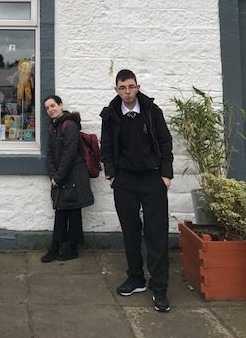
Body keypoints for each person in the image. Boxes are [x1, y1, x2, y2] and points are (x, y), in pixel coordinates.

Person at [100, 69, 173, 313]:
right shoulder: (110, 114)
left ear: (138, 87)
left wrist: (166, 174)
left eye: (131, 87)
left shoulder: (152, 111)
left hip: (152, 178)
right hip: (125, 180)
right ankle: (136, 278)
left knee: (156, 234)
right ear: (116, 90)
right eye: (122, 88)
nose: (127, 92)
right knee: (130, 232)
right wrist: (111, 174)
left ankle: (159, 287)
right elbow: (106, 146)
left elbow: (165, 142)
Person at [41, 95, 94, 263]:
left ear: (61, 105)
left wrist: (57, 177)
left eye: (53, 106)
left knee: (73, 212)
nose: (50, 110)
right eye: (47, 108)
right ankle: (58, 247)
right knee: (61, 211)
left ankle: (70, 249)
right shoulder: (53, 127)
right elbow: (50, 153)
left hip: (75, 175)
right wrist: (53, 175)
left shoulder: (69, 125)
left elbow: (69, 154)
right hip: (62, 176)